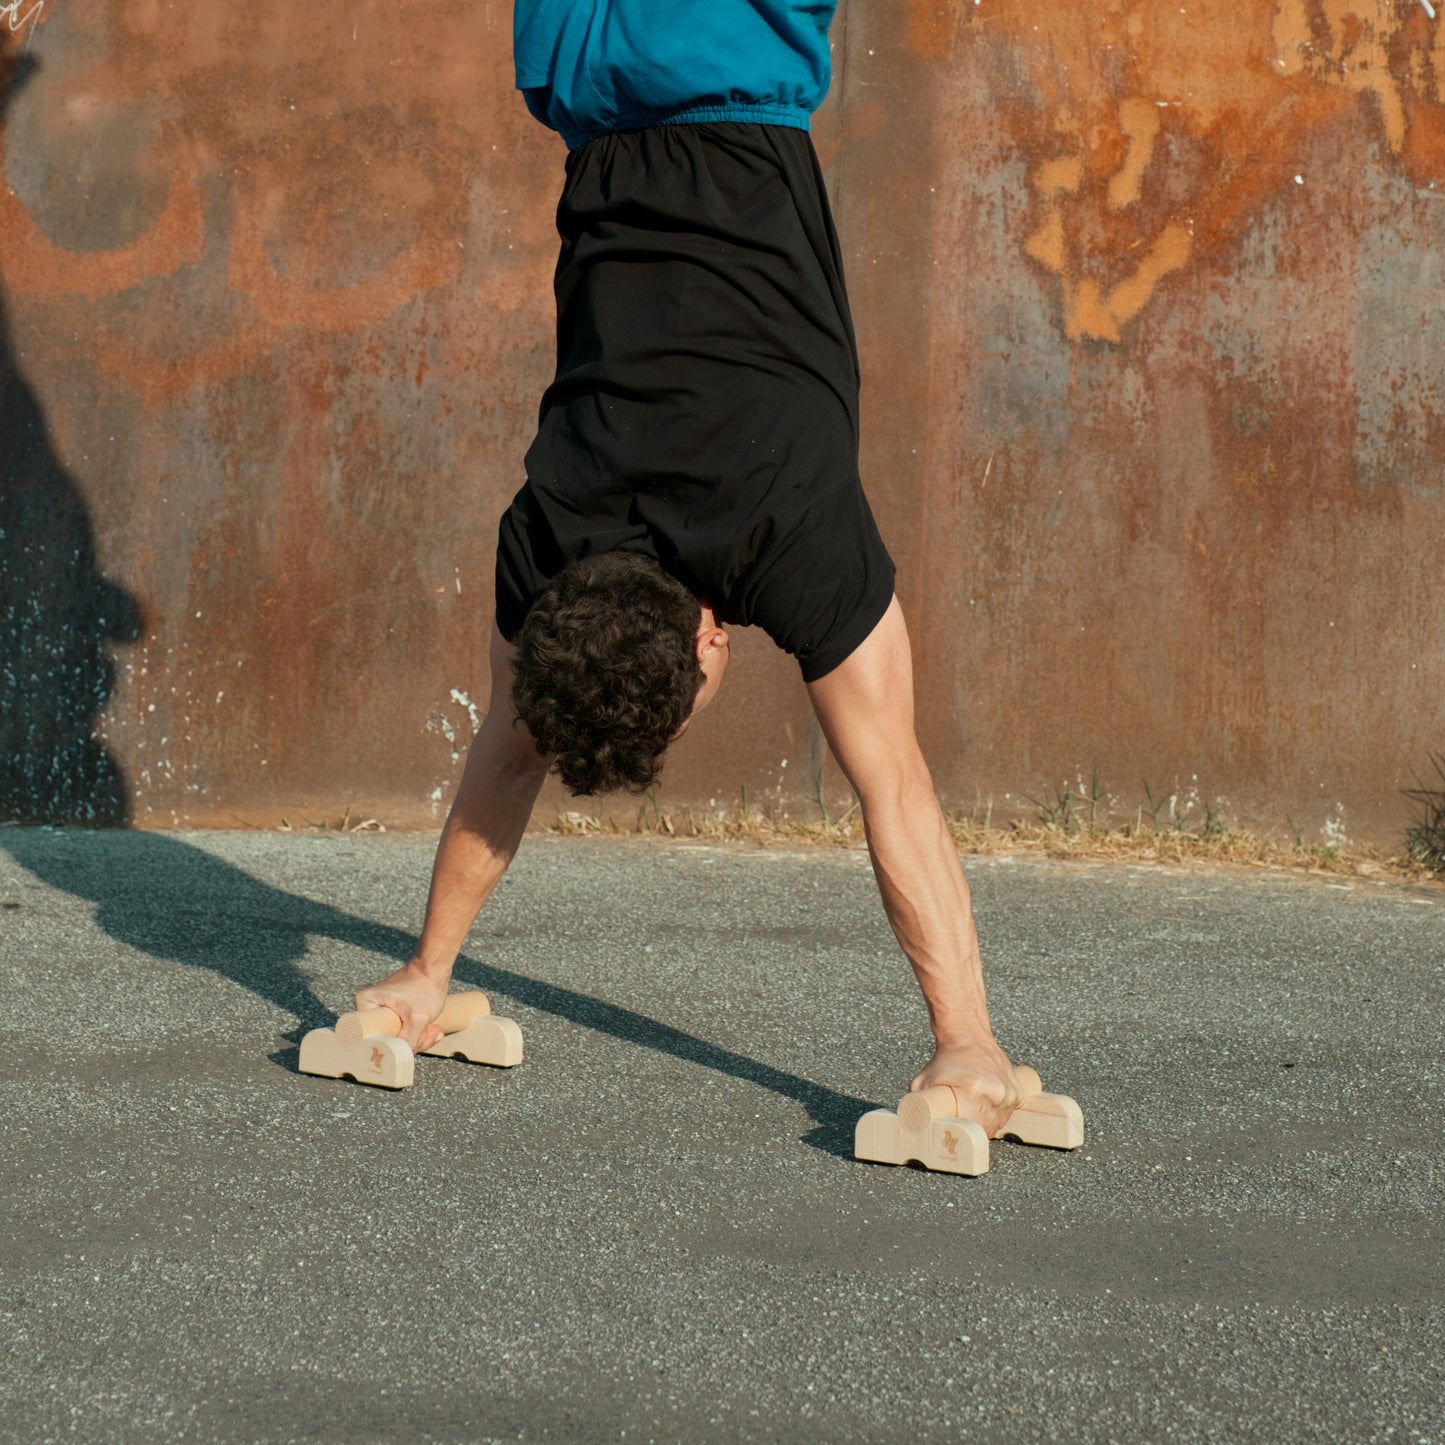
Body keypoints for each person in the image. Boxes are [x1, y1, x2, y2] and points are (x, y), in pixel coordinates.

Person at [356, 0, 1032, 1136]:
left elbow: (894, 785)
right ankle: (425, 969)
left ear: (710, 640)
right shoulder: (549, 531)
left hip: (731, 52)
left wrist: (964, 1040)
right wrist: (421, 972)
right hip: (584, 71)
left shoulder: (790, 529)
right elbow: (506, 751)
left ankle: (960, 1031)